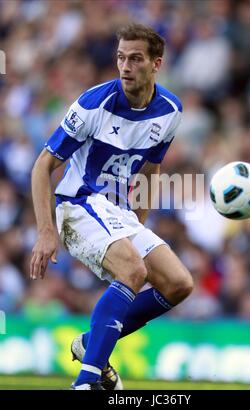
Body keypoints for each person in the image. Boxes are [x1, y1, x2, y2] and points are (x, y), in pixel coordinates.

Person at [30, 23, 193, 390]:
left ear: (157, 64)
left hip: (118, 213)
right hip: (78, 204)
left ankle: (90, 346)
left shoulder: (170, 110)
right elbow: (43, 165)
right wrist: (45, 231)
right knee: (133, 272)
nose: (125, 66)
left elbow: (152, 168)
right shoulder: (93, 104)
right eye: (121, 57)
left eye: (136, 59)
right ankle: (86, 381)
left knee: (179, 284)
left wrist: (138, 223)